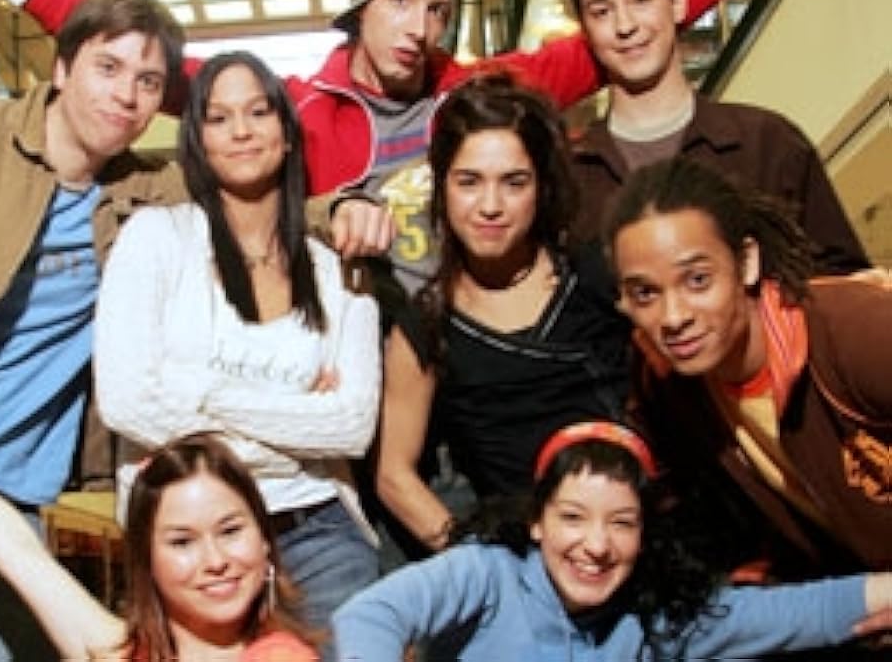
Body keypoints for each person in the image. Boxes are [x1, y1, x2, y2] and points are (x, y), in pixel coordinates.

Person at [0, 0, 827, 275]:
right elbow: (149, 62)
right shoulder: (292, 105)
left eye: (438, 7)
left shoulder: (481, 89)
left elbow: (627, 25)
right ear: (361, 9)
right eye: (400, 1)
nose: (420, 25)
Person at [0, 0, 187, 659]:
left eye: (148, 81)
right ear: (60, 68)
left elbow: (254, 201)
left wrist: (344, 209)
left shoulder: (146, 192)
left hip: (10, 505)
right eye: (107, 68)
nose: (126, 95)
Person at [92, 50, 381, 657]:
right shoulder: (156, 238)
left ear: (287, 131)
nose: (242, 131)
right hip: (191, 542)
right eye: (219, 118)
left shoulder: (335, 267)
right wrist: (295, 427)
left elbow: (352, 426)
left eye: (258, 112)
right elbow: (124, 402)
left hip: (315, 530)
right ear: (197, 141)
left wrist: (196, 393)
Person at [334, 420, 892, 660]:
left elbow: (800, 612)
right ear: (537, 521)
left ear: (644, 535)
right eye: (573, 517)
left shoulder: (656, 613)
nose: (596, 545)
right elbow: (369, 615)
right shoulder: (487, 573)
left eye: (621, 523)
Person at [376, 74, 631, 552]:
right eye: (469, 182)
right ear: (442, 188)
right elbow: (393, 475)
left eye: (514, 183)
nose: (490, 206)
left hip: (634, 533)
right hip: (524, 554)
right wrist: (482, 566)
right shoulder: (425, 325)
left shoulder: (597, 276)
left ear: (542, 187)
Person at [606, 157, 892, 574]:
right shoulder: (666, 386)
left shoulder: (853, 332)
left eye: (697, 280)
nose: (673, 317)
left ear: (747, 263)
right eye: (646, 294)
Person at [563, 0, 869, 275]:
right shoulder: (569, 177)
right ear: (586, 31)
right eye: (602, 12)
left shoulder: (769, 144)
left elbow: (842, 284)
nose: (625, 25)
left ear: (678, 3)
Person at [0, 421, 318, 661]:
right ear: (146, 559)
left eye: (230, 531)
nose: (215, 560)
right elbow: (18, 552)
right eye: (182, 542)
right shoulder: (119, 650)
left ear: (265, 539)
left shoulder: (282, 656)